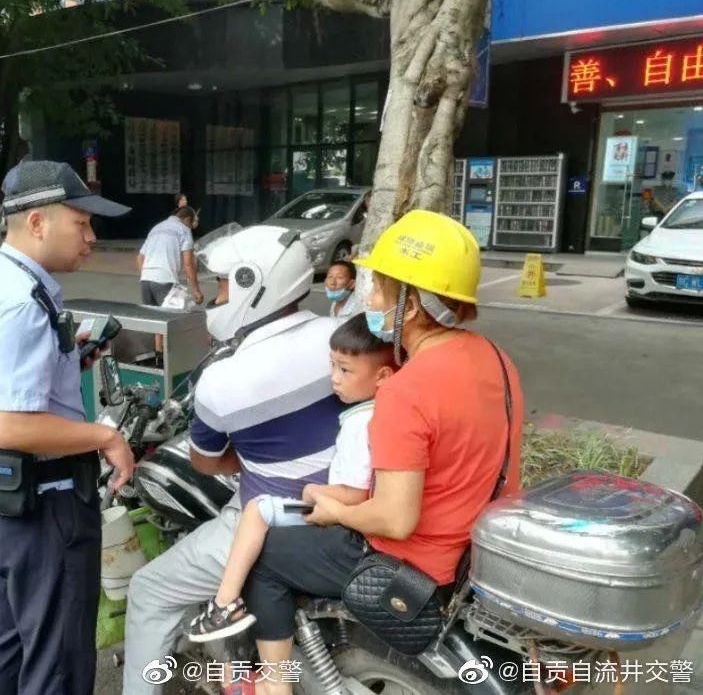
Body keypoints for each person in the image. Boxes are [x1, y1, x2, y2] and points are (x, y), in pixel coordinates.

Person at [241, 211, 525, 695]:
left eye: (376, 289)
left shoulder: (406, 390)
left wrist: (335, 511)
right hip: (471, 555)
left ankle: (274, 684)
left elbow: (395, 519)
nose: (368, 300)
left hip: (418, 564)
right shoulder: (496, 359)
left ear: (410, 305)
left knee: (265, 556)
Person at [123, 225, 343, 695]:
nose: (216, 298)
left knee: (148, 590)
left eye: (223, 285)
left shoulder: (223, 381)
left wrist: (247, 464)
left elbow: (205, 463)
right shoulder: (339, 338)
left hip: (273, 520)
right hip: (344, 505)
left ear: (252, 283)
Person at [0, 160, 135, 695]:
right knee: (56, 661)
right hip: (46, 506)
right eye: (80, 224)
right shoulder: (21, 302)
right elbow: (14, 426)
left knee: (8, 644)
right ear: (37, 223)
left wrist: (68, 359)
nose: (91, 237)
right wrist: (108, 437)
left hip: (6, 500)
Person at [189, 314, 398, 641]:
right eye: (332, 366)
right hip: (348, 517)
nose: (334, 379)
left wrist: (315, 491)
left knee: (258, 511)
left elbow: (357, 493)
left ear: (383, 375)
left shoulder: (361, 423)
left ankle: (224, 605)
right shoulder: (377, 411)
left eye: (345, 370)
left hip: (337, 516)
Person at [137, 206, 203, 307]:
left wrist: (149, 275)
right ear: (187, 219)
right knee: (170, 317)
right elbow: (188, 264)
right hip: (165, 280)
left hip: (145, 281)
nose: (191, 227)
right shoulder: (184, 230)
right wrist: (196, 290)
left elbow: (140, 257)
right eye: (191, 223)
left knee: (151, 319)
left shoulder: (156, 228)